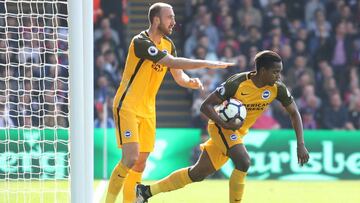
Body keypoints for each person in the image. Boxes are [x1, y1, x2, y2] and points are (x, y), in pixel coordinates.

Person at [136, 50, 310, 203]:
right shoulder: (237, 83)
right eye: (275, 72)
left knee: (197, 174)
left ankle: (145, 192)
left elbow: (294, 113)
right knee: (243, 161)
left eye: (279, 72)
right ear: (262, 71)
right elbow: (206, 106)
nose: (278, 76)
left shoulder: (277, 88)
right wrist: (223, 123)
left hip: (238, 132)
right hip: (221, 127)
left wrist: (301, 144)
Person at [105, 2, 234, 203]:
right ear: (156, 19)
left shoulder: (168, 44)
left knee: (140, 164)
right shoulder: (140, 42)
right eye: (169, 17)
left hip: (148, 110)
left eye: (174, 17)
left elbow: (178, 75)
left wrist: (190, 82)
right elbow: (171, 63)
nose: (174, 22)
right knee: (130, 158)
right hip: (127, 105)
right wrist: (207, 64)